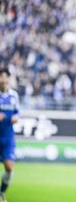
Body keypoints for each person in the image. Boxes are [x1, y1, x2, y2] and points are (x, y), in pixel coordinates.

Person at [0, 68, 19, 202]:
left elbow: (17, 112)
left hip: (8, 137)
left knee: (9, 167)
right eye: (2, 77)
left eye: (6, 77)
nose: (4, 80)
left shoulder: (14, 96)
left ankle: (1, 192)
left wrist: (15, 118)